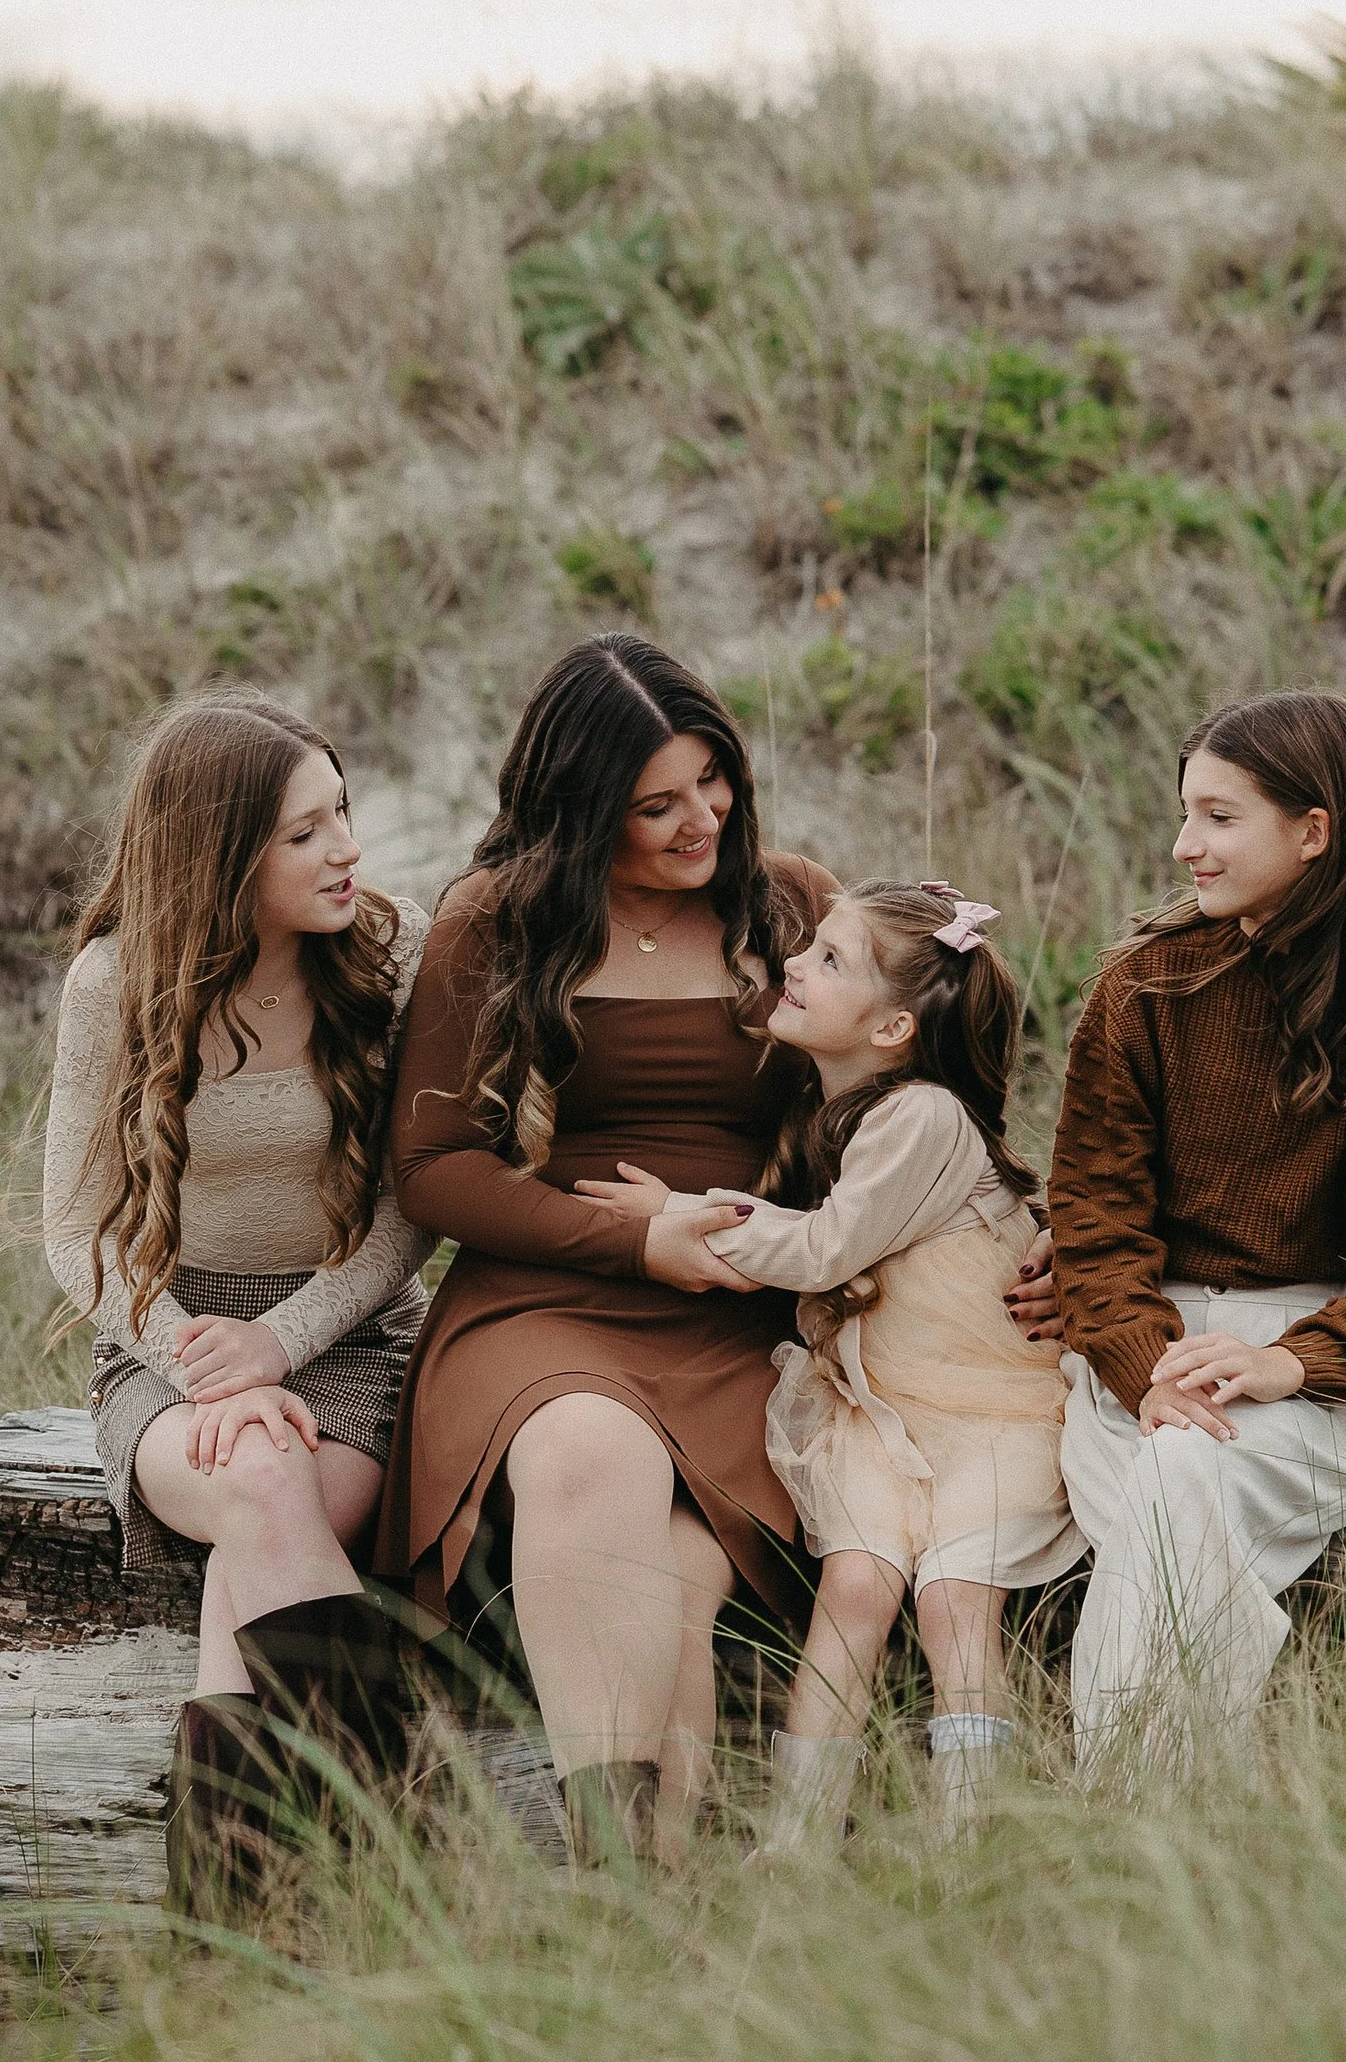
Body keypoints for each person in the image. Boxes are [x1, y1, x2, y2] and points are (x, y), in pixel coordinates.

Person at [374, 632, 837, 1863]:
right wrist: (635, 1242)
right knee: (589, 1451)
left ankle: (651, 1904)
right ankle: (618, 1874)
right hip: (551, 1301)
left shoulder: (790, 902)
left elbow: (898, 1098)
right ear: (582, 813)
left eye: (714, 779)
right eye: (657, 804)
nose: (703, 820)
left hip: (748, 1311)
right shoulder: (496, 922)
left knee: (685, 1587)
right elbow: (432, 1168)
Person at [1044, 688, 1346, 1759]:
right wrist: (1144, 1364)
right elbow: (1093, 1217)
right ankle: (1177, 1805)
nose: (1184, 844)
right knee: (1175, 1466)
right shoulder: (1142, 989)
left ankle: (1115, 1807)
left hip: (1308, 1382)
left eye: (1218, 816)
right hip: (1130, 1360)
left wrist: (1289, 1364)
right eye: (1184, 812)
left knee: (1180, 1475)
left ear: (1313, 830)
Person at [42, 694, 432, 1871]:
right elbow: (73, 1227)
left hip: (353, 1341)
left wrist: (282, 1342)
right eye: (305, 832)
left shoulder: (393, 951)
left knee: (260, 1521)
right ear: (221, 851)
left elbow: (411, 1213)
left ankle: (235, 1910)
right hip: (165, 1346)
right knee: (260, 1477)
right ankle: (377, 1837)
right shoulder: (114, 984)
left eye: (344, 811)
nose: (347, 848)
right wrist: (199, 1359)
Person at [631, 877, 1082, 1848]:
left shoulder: (922, 1115)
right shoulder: (838, 1114)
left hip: (992, 1409)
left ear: (891, 1030)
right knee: (856, 1586)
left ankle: (972, 1834)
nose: (796, 960)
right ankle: (796, 1838)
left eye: (830, 958)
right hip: (884, 1414)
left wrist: (668, 1218)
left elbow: (823, 1250)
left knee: (955, 1597)